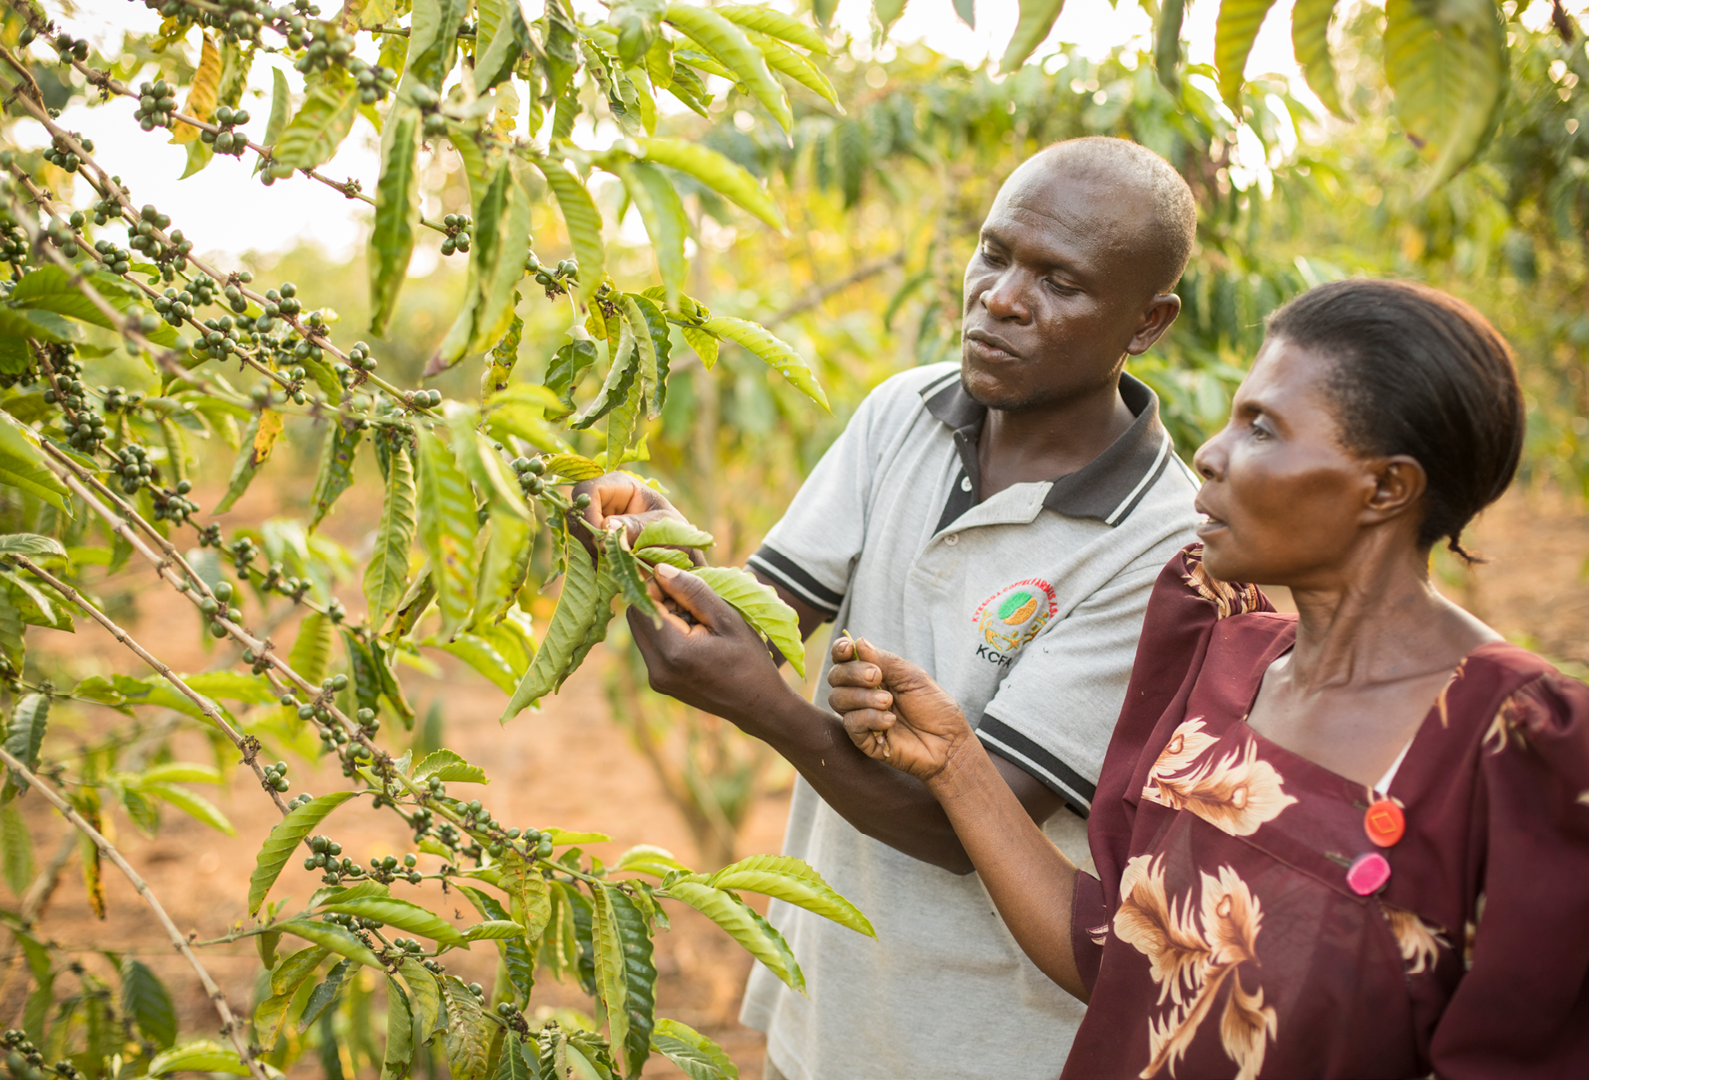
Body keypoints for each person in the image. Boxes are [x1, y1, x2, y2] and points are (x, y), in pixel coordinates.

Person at [821, 278, 1589, 1078]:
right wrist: (953, 759)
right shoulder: (1221, 662)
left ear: (1386, 487)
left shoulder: (1515, 742)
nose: (1211, 454)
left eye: (1261, 428)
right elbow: (1124, 958)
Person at [575, 137, 1205, 1080]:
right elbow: (766, 616)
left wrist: (769, 710)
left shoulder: (1160, 545)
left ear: (1146, 322)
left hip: (988, 1035)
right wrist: (662, 552)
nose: (999, 297)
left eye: (1059, 282)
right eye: (993, 253)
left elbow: (957, 827)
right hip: (834, 992)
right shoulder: (904, 412)